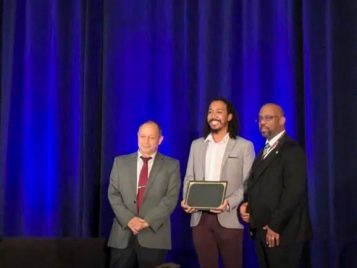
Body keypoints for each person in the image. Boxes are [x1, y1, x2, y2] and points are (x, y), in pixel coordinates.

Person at [181, 97, 255, 268]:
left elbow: (248, 183)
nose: (213, 116)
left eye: (219, 112)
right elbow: (189, 177)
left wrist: (228, 203)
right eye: (210, 112)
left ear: (229, 117)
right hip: (200, 219)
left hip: (229, 217)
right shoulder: (196, 145)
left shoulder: (244, 146)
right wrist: (188, 200)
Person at [240, 103, 312, 268]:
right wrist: (248, 204)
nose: (262, 122)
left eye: (268, 118)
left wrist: (274, 226)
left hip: (282, 233)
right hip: (261, 231)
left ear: (282, 120)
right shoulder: (265, 150)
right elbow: (259, 184)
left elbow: (294, 192)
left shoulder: (292, 150)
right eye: (260, 118)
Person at [107, 121, 181, 268]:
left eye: (151, 137)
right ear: (137, 137)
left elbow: (170, 199)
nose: (146, 141)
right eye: (143, 136)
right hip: (122, 236)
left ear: (160, 139)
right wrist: (129, 220)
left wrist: (146, 222)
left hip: (154, 236)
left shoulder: (171, 165)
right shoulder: (120, 162)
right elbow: (113, 194)